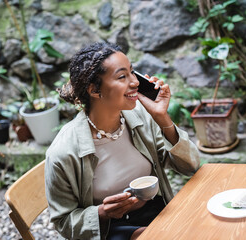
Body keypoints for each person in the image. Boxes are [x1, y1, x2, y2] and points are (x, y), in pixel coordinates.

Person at [45, 42, 200, 240]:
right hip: (108, 229)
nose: (135, 82)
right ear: (94, 90)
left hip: (157, 211)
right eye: (122, 76)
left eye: (133, 72)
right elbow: (63, 222)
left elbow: (191, 166)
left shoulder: (142, 118)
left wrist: (162, 118)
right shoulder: (63, 152)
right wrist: (102, 212)